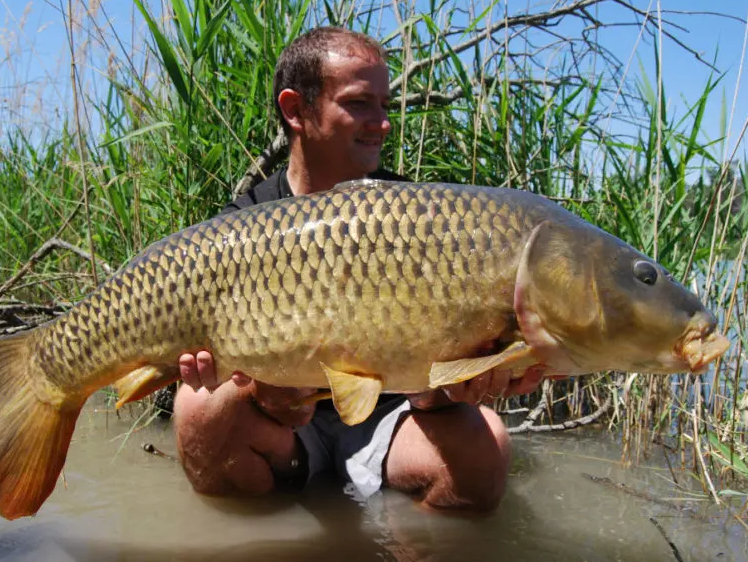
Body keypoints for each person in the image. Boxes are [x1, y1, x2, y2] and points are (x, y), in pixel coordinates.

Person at [172, 26, 545, 511]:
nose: (383, 123)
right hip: (284, 431)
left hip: (390, 419)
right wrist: (254, 391)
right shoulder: (241, 228)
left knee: (486, 448)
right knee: (195, 408)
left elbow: (430, 384)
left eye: (385, 106)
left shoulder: (415, 218)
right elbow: (185, 380)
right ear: (295, 109)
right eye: (360, 103)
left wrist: (456, 386)